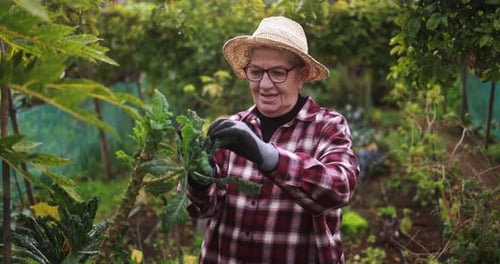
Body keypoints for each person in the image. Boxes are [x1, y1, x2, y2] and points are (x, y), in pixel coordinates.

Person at [187, 16, 359, 264]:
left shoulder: (327, 126)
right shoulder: (233, 130)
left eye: (278, 73)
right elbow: (200, 210)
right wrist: (199, 180)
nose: (265, 85)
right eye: (256, 72)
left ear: (300, 76)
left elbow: (339, 189)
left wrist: (268, 156)